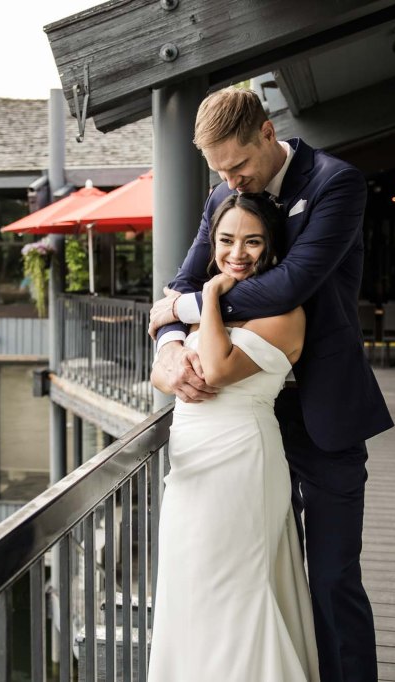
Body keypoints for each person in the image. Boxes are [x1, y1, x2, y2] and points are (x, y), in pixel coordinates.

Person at [150, 86, 394, 682]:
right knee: (255, 575)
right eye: (219, 172)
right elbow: (180, 283)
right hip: (241, 426)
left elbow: (291, 285)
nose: (230, 181)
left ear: (266, 132)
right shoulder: (224, 196)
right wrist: (170, 347)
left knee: (332, 578)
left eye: (237, 166)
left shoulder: (336, 183)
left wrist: (185, 307)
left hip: (325, 409)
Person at [148, 192, 318, 682]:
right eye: (225, 240)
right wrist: (174, 371)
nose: (236, 253)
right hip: (190, 462)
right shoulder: (203, 307)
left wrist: (209, 296)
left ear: (271, 245)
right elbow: (160, 371)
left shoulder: (286, 313)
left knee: (235, 585)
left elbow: (219, 369)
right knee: (190, 582)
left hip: (243, 458)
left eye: (252, 241)